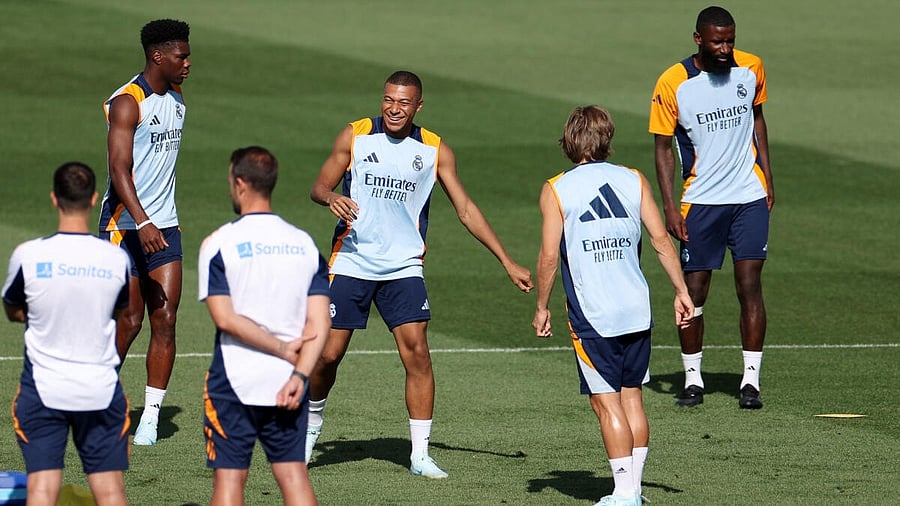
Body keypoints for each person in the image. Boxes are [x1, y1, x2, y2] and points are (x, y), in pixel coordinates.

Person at [306, 70, 533, 478]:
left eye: (404, 102)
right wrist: (331, 196)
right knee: (327, 355)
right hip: (352, 260)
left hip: (404, 266)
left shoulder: (434, 149)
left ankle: (419, 454)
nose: (394, 108)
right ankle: (308, 431)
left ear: (418, 106)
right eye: (389, 100)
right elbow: (319, 186)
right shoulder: (355, 134)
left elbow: (465, 209)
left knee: (418, 354)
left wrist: (506, 260)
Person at [532, 106, 694, 506]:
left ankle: (623, 493)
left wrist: (542, 306)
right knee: (632, 397)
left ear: (569, 141)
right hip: (637, 309)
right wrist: (681, 291)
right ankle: (634, 490)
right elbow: (660, 241)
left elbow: (549, 257)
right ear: (607, 138)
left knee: (606, 404)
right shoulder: (633, 179)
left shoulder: (556, 188)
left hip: (594, 313)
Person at [649, 6, 774, 409]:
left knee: (749, 286)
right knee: (694, 291)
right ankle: (692, 380)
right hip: (700, 201)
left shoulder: (751, 68)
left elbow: (758, 120)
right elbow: (663, 147)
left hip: (748, 197)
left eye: (731, 40)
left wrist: (768, 180)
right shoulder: (673, 82)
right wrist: (669, 205)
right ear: (698, 38)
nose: (726, 49)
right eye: (718, 41)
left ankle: (750, 382)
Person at [198, 147, 331, 505]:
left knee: (229, 482)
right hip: (289, 382)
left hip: (233, 380)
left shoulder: (218, 243)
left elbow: (224, 319)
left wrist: (278, 347)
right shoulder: (304, 244)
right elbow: (321, 322)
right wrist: (300, 375)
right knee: (293, 477)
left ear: (240, 184)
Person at [3, 162, 132, 506]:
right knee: (110, 491)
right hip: (100, 391)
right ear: (93, 200)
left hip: (44, 390)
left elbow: (13, 310)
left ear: (53, 199)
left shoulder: (27, 256)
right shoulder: (115, 259)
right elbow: (119, 312)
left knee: (42, 491)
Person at [98, 18, 192, 444]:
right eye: (181, 56)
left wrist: (158, 221)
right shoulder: (126, 102)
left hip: (165, 227)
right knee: (130, 320)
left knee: (166, 319)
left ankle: (150, 417)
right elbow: (118, 170)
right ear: (158, 55)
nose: (188, 63)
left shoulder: (176, 96)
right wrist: (143, 220)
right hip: (125, 228)